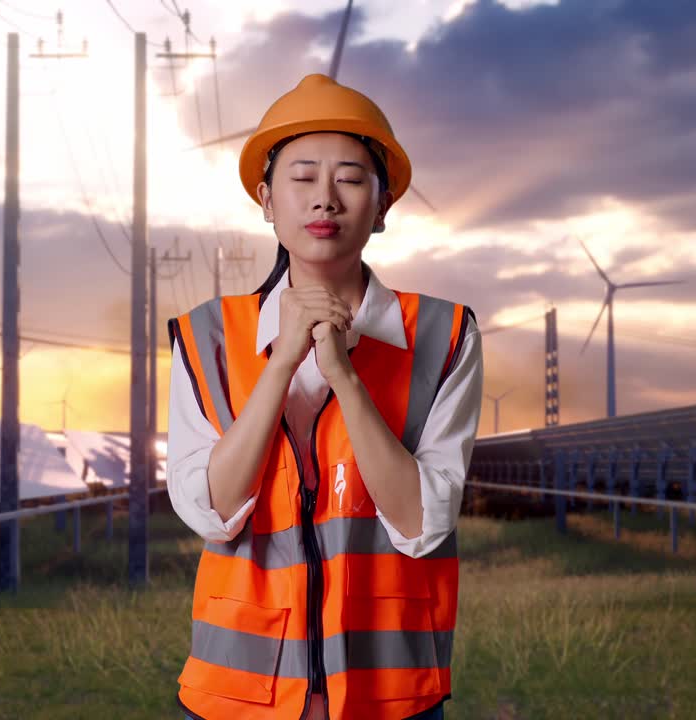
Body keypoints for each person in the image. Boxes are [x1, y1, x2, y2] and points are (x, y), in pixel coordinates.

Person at [167, 73, 483, 720]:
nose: (325, 199)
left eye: (351, 178)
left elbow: (423, 523)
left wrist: (344, 374)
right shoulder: (209, 338)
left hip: (387, 693)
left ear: (384, 205)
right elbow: (212, 512)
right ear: (266, 199)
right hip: (236, 695)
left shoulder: (444, 334)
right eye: (303, 176)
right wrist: (281, 363)